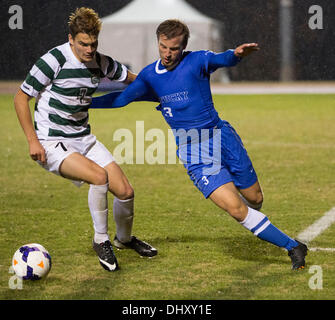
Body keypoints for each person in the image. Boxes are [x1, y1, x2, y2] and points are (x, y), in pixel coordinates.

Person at [91, 19, 308, 270]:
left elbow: (221, 59)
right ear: (158, 43)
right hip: (195, 152)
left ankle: (255, 217)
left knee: (255, 198)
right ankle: (293, 247)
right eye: (163, 47)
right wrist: (86, 103)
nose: (168, 54)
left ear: (183, 46)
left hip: (222, 137)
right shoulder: (151, 75)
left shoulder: (197, 61)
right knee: (237, 210)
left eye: (174, 49)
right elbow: (121, 99)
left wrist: (235, 55)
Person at [14, 7, 157, 272]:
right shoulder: (53, 60)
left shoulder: (101, 61)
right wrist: (32, 141)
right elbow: (21, 97)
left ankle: (124, 240)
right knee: (98, 177)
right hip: (51, 141)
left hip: (84, 138)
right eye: (83, 44)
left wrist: (164, 92)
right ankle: (100, 240)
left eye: (93, 44)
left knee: (125, 192)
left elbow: (132, 80)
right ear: (71, 39)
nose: (89, 50)